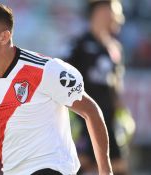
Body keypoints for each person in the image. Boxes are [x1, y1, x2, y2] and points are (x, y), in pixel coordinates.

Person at [0, 2, 112, 175]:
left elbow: (91, 111)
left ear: (3, 37)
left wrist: (105, 171)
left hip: (53, 168)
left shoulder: (46, 69)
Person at [66, 0, 127, 174]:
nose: (119, 18)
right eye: (115, 12)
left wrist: (120, 111)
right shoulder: (78, 45)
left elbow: (115, 84)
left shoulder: (115, 49)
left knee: (119, 166)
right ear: (100, 12)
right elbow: (61, 80)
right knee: (81, 164)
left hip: (109, 120)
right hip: (84, 118)